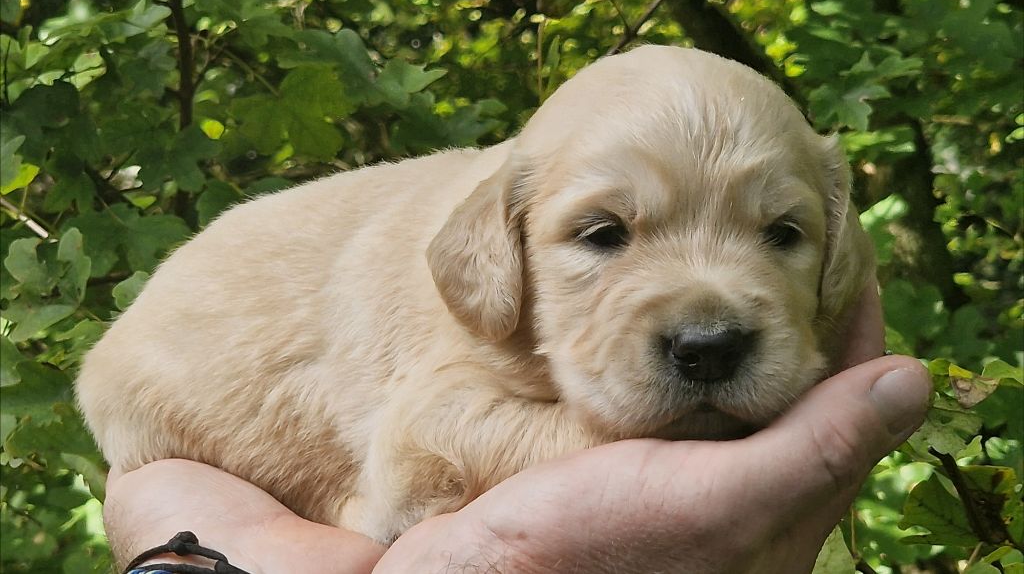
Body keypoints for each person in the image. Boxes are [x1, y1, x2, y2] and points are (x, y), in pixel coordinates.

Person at [104, 285, 931, 573]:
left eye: (780, 234)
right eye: (604, 236)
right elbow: (419, 457)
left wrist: (195, 565)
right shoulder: (482, 321)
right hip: (167, 400)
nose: (709, 328)